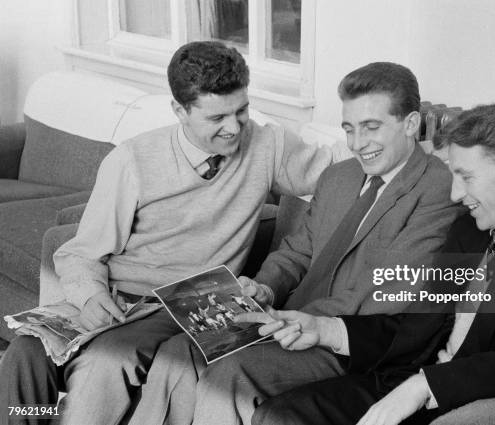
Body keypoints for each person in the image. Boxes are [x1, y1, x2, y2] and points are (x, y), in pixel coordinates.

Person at [0, 41, 335, 425]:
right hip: (117, 298)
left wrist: (408, 138)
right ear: (180, 111)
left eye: (241, 111)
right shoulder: (132, 161)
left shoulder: (267, 144)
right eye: (217, 118)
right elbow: (81, 252)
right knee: (24, 354)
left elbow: (339, 166)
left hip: (187, 303)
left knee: (105, 362)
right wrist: (91, 297)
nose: (234, 127)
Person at [127, 62, 461, 425]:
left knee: (229, 372)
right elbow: (297, 250)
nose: (357, 143)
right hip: (286, 318)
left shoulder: (440, 190)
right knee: (178, 351)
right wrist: (264, 289)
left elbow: (389, 288)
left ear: (410, 124)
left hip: (346, 339)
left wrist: (296, 322)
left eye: (371, 127)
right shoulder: (338, 176)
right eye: (349, 129)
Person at [246, 104, 495, 425]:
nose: (455, 194)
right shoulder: (470, 230)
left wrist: (427, 386)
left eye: (466, 177)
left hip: (469, 402)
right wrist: (326, 330)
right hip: (407, 379)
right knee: (278, 416)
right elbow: (420, 324)